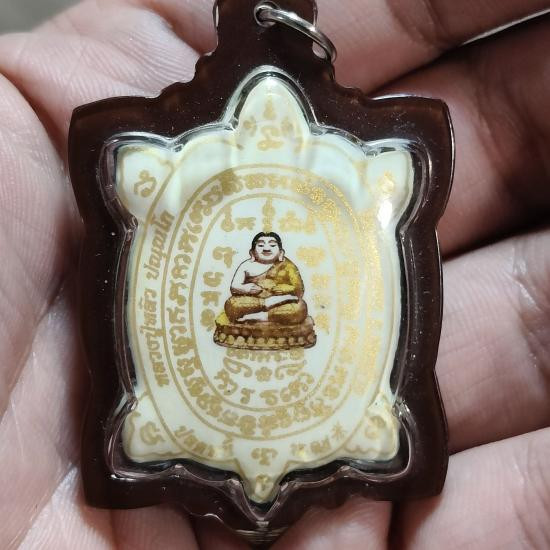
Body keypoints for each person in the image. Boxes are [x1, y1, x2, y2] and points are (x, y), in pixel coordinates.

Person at [1, 0, 549, 548]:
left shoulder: (289, 262)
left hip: (283, 317)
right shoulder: (241, 257)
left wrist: (274, 294)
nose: (264, 250)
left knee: (292, 308)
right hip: (246, 320)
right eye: (260, 244)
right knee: (237, 307)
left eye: (270, 244)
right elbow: (237, 290)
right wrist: (252, 290)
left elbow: (296, 292)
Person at [224, 232, 308, 325]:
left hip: (280, 303)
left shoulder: (287, 265)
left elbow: (299, 289)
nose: (266, 249)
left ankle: (261, 316)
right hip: (254, 302)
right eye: (260, 245)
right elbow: (234, 286)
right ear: (252, 252)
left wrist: (287, 288)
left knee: (300, 308)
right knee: (231, 304)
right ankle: (267, 304)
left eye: (272, 245)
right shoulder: (246, 265)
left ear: (281, 252)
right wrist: (246, 288)